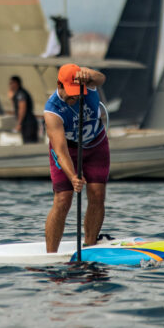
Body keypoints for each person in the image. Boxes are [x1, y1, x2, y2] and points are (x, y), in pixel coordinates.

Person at [43, 63, 108, 252]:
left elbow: (101, 78)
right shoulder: (52, 110)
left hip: (96, 144)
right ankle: (51, 254)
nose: (76, 97)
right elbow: (61, 151)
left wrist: (90, 74)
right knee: (63, 198)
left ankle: (90, 245)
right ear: (59, 85)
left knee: (97, 194)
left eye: (78, 92)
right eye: (71, 92)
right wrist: (73, 176)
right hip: (68, 150)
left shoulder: (87, 83)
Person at [8, 75, 38, 144]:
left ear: (16, 83)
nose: (10, 85)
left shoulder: (21, 94)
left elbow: (22, 109)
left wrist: (19, 123)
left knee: (29, 144)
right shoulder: (18, 93)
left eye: (11, 83)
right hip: (27, 123)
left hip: (28, 123)